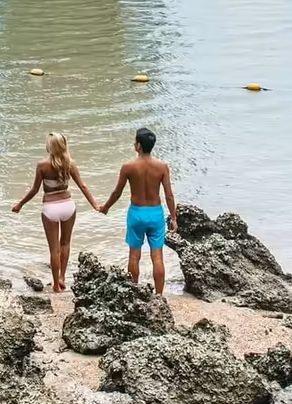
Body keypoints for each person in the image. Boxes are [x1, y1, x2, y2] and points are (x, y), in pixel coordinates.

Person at [12, 132, 100, 292]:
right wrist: (95, 205)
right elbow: (83, 186)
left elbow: (34, 190)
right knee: (65, 243)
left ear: (49, 147)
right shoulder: (70, 163)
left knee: (54, 249)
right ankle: (62, 277)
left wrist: (20, 204)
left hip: (50, 208)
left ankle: (55, 285)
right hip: (68, 206)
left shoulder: (42, 166)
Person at [99, 126, 177, 295]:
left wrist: (106, 207)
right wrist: (173, 217)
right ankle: (159, 295)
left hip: (136, 214)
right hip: (155, 213)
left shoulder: (128, 167)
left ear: (139, 146)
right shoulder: (162, 167)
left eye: (135, 141)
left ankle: (134, 292)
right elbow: (169, 195)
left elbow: (117, 192)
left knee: (134, 256)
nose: (134, 144)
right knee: (157, 256)